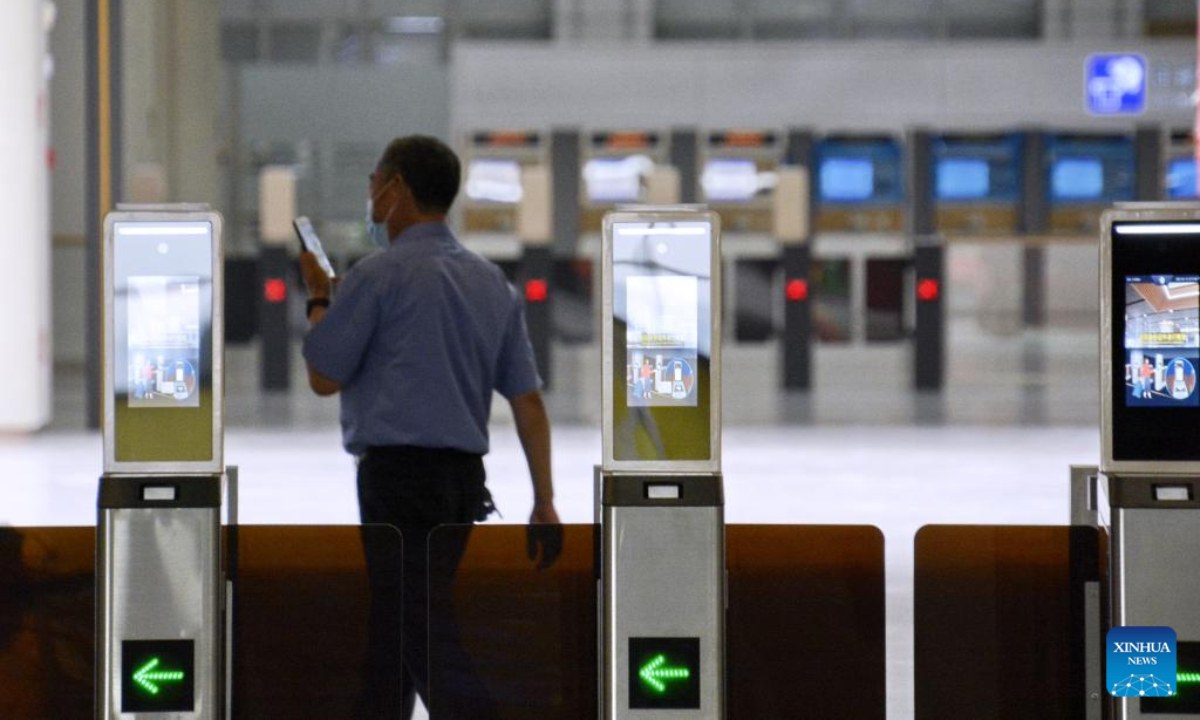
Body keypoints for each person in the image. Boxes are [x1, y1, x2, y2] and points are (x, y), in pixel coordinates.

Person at [299, 135, 560, 719]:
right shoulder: (491, 282)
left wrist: (319, 297)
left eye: (374, 182)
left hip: (394, 481)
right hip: (461, 484)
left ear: (398, 190)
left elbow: (323, 374)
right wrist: (544, 499)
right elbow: (527, 401)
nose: (370, 194)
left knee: (414, 629)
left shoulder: (375, 277)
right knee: (402, 623)